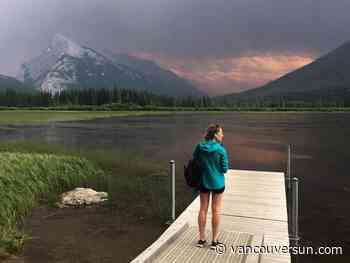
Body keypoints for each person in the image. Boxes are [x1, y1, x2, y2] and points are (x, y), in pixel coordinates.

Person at [192, 124, 229, 249]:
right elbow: (224, 169)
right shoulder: (221, 150)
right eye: (221, 133)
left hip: (203, 182)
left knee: (203, 209)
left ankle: (201, 240)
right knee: (216, 210)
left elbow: (195, 160)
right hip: (218, 183)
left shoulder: (199, 147)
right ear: (215, 135)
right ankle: (214, 241)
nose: (223, 135)